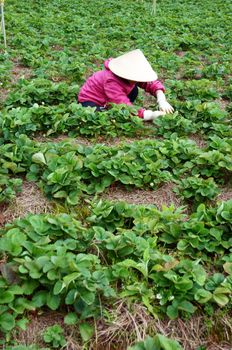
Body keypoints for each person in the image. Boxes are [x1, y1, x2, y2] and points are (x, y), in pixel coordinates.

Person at [78, 49, 174, 121]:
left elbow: (151, 83)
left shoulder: (132, 76)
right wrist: (150, 115)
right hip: (92, 100)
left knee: (134, 90)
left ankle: (112, 107)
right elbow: (122, 103)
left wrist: (161, 100)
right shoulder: (111, 81)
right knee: (101, 116)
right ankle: (108, 108)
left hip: (110, 96)